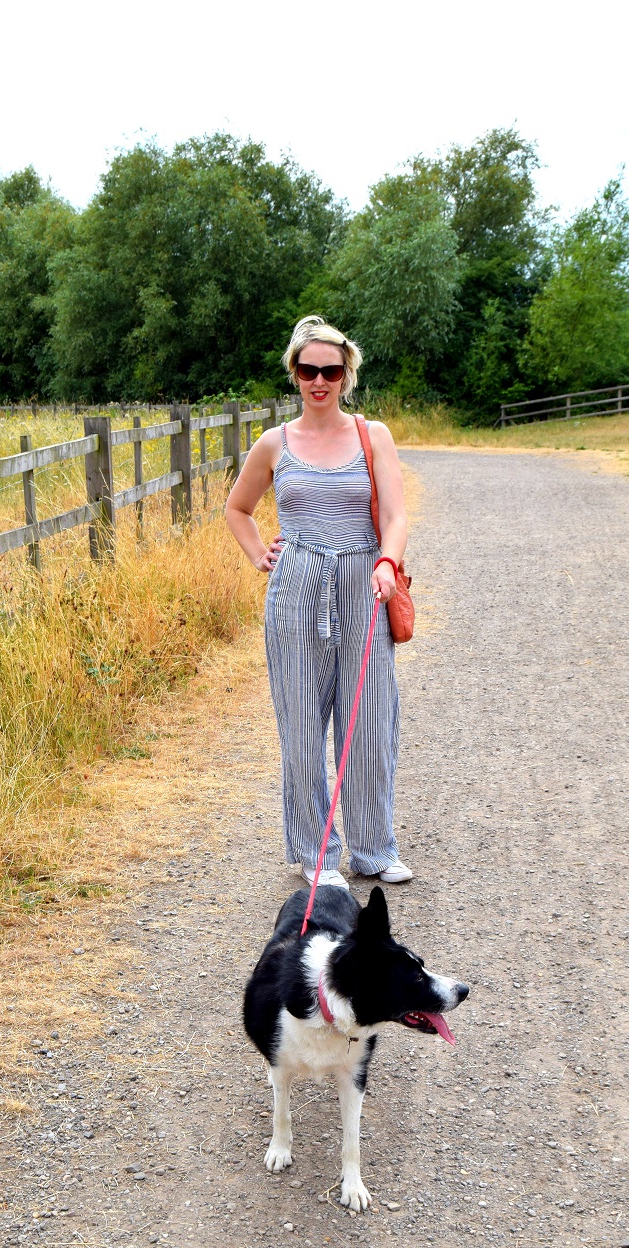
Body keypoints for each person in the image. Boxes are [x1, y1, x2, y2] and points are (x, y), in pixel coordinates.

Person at [224, 315, 411, 889]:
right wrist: (261, 555)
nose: (319, 380)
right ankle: (317, 854)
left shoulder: (371, 434)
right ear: (295, 374)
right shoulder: (274, 443)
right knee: (303, 724)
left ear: (346, 374)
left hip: (363, 584)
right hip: (297, 590)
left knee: (370, 720)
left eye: (331, 370)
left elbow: (395, 515)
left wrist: (386, 561)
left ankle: (374, 849)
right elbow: (237, 509)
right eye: (309, 370)